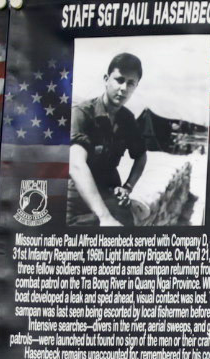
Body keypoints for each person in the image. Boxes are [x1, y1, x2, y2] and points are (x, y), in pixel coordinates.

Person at [70, 52, 149, 227]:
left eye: (130, 83)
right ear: (106, 79)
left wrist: (128, 187)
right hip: (78, 199)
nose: (124, 88)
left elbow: (141, 155)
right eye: (119, 80)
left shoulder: (127, 119)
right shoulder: (82, 113)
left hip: (110, 194)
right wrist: (105, 217)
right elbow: (76, 166)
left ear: (135, 87)